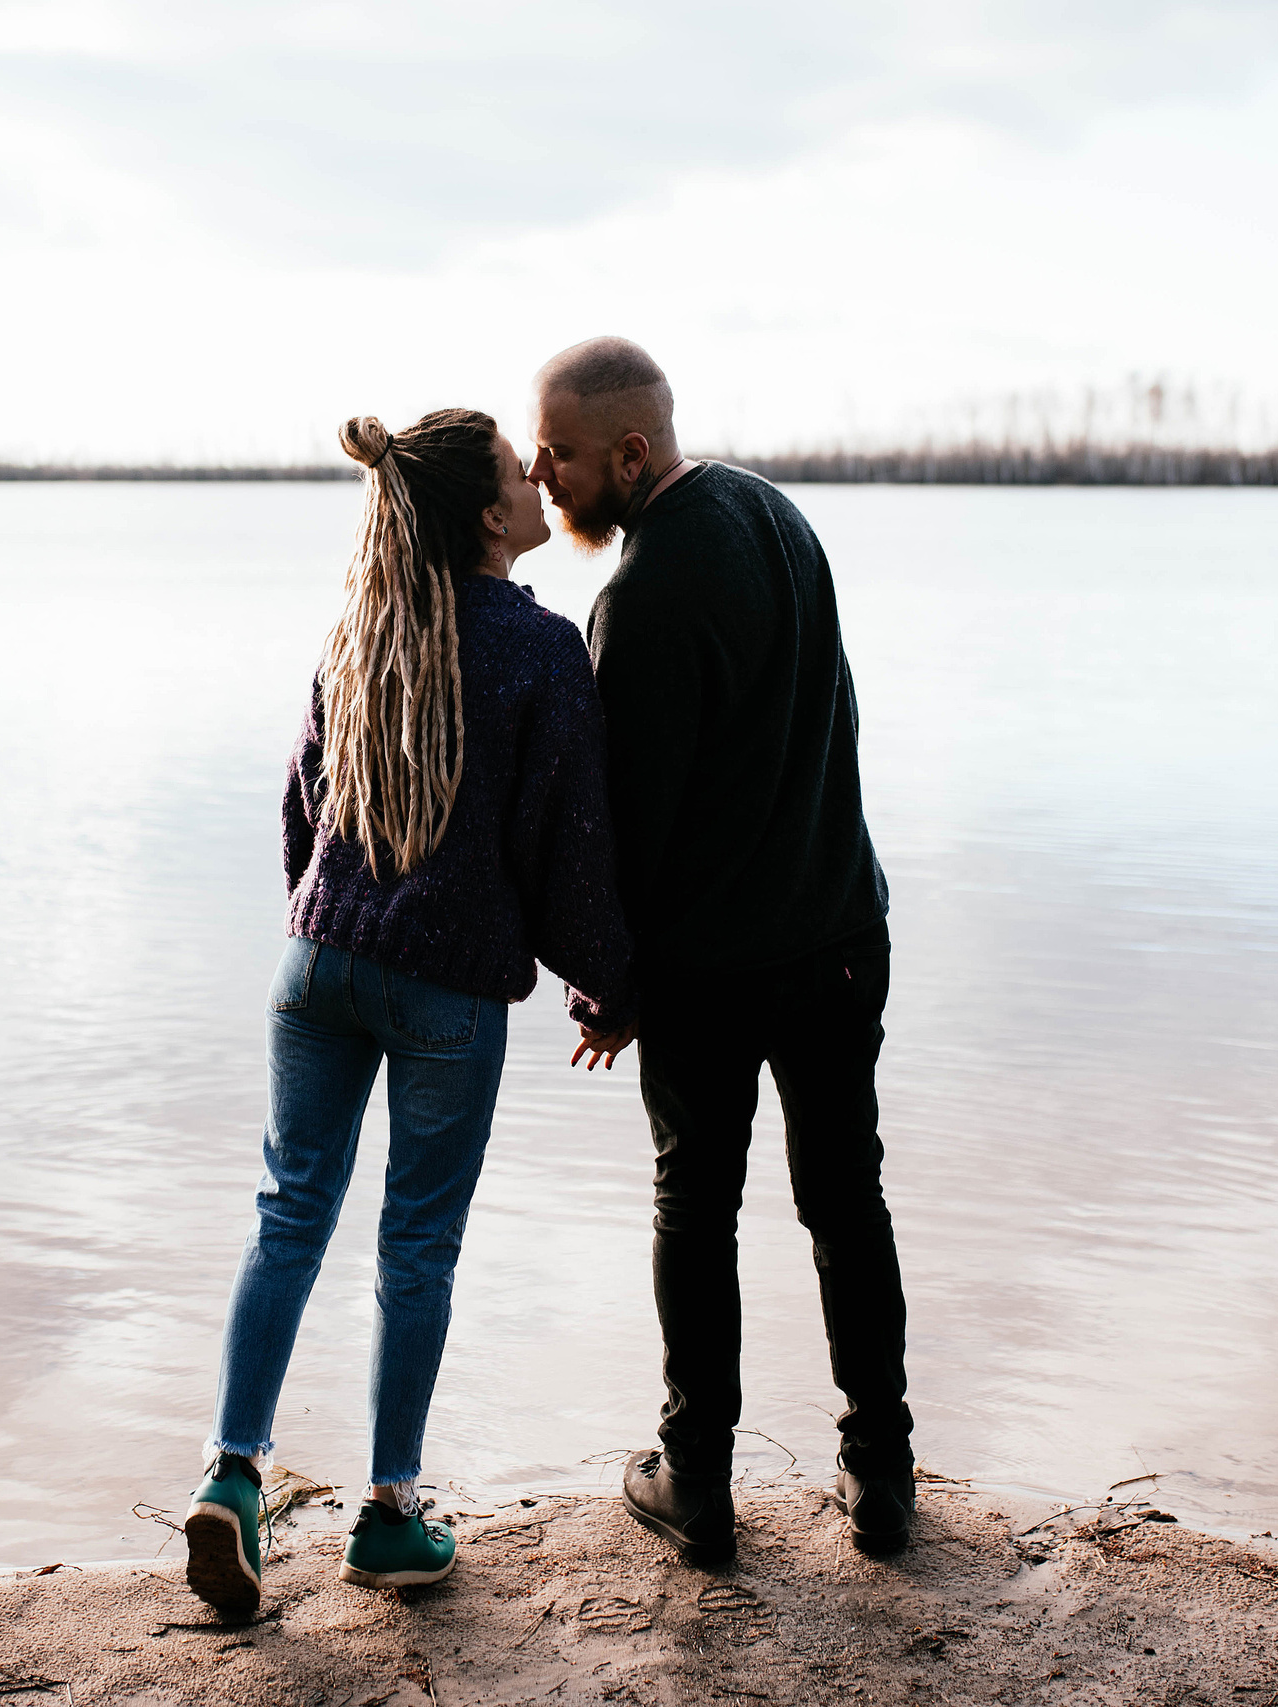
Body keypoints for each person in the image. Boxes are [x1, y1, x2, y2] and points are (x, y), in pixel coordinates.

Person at [181, 408, 636, 1621]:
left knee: (288, 1213)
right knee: (414, 1248)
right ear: (490, 519)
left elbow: (301, 803)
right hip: (446, 988)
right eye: (515, 474)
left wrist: (328, 930)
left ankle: (231, 1477)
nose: (539, 482)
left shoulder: (360, 630)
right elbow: (568, 849)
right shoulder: (540, 652)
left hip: (317, 960)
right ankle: (389, 1518)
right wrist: (607, 983)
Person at [529, 337, 915, 1562]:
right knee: (845, 1197)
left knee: (695, 1208)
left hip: (715, 971)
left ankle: (696, 1482)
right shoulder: (779, 516)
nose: (542, 473)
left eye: (564, 454)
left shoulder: (638, 602)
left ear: (629, 452)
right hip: (844, 936)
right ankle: (882, 1471)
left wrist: (611, 988)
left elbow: (628, 833)